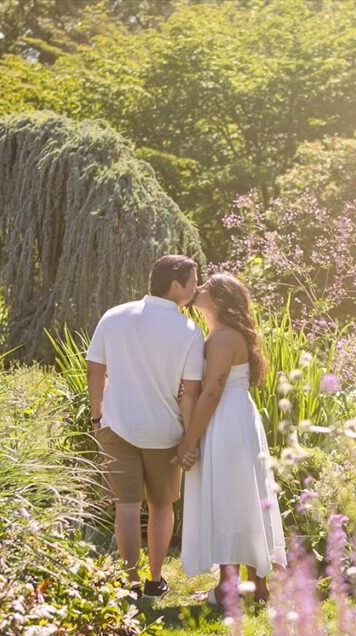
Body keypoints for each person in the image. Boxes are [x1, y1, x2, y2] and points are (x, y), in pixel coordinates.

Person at [86, 255, 204, 598]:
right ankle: (154, 580)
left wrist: (98, 416)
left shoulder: (114, 316)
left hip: (116, 426)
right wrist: (189, 438)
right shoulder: (189, 332)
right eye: (193, 281)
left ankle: (130, 582)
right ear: (176, 285)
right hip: (163, 432)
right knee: (161, 505)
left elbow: (95, 369)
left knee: (126, 504)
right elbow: (191, 393)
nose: (196, 288)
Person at [177, 272, 287, 605]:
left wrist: (189, 441)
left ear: (221, 300)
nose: (200, 289)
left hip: (226, 419)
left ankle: (229, 589)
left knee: (229, 495)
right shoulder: (223, 334)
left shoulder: (223, 338)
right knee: (245, 494)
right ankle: (257, 586)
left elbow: (211, 392)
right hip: (238, 417)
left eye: (208, 287)